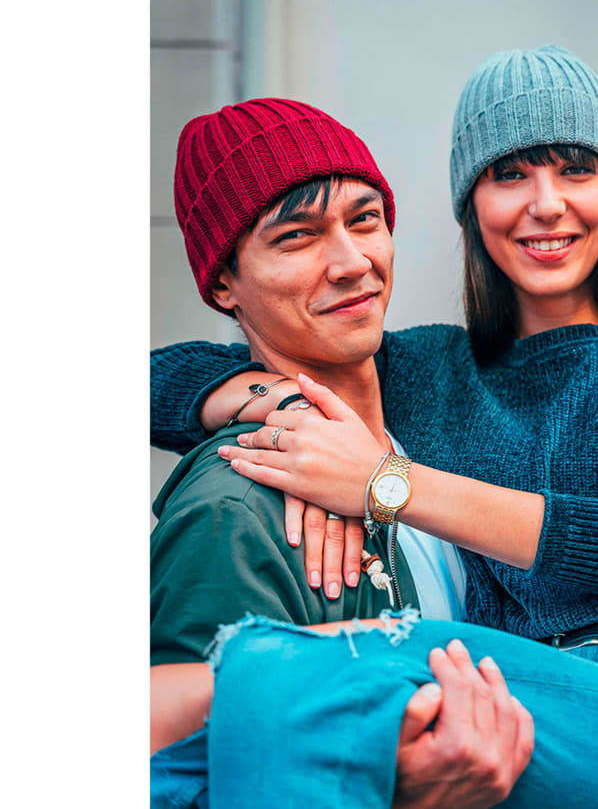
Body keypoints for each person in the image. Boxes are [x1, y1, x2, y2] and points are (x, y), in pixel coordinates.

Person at [152, 45, 598, 806]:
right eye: (510, 174)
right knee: (266, 730)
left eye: (577, 169)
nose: (547, 204)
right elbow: (160, 377)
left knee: (301, 676)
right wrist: (290, 403)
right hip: (507, 717)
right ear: (472, 203)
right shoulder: (423, 368)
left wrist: (381, 483)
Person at [150, 98, 530, 808]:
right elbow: (183, 778)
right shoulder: (237, 504)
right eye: (297, 237)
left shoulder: (443, 414)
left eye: (365, 220)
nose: (353, 263)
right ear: (224, 283)